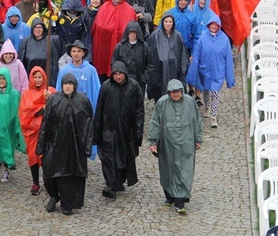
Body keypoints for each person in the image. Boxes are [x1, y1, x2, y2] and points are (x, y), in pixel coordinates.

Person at [36, 72, 94, 216]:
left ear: (74, 85)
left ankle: (68, 203)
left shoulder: (83, 100)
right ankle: (54, 195)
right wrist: (41, 145)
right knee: (50, 173)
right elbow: (46, 123)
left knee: (71, 176)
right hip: (55, 144)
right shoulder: (54, 100)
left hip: (75, 146)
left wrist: (87, 146)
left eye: (70, 84)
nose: (67, 87)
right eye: (65, 84)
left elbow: (88, 125)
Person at [148, 79, 203, 215]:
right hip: (167, 142)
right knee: (167, 169)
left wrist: (198, 139)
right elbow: (155, 122)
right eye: (173, 92)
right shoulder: (162, 103)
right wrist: (153, 141)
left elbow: (197, 120)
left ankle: (180, 200)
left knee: (184, 170)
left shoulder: (190, 103)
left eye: (178, 92)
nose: (175, 94)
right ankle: (170, 195)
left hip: (186, 143)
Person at [94, 61, 144, 200]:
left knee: (124, 157)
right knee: (108, 157)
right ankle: (110, 185)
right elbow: (100, 109)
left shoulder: (134, 86)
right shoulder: (106, 86)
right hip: (109, 129)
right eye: (115, 74)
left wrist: (138, 132)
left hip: (127, 130)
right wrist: (97, 131)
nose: (118, 77)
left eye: (120, 74)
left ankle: (119, 181)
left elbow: (140, 110)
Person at [186, 15, 235, 128]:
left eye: (216, 24)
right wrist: (193, 72)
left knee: (215, 93)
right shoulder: (203, 38)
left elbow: (228, 58)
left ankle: (214, 116)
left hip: (218, 71)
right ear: (208, 25)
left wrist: (230, 78)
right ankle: (207, 107)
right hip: (205, 69)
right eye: (212, 24)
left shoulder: (224, 39)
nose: (214, 26)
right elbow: (197, 54)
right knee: (206, 90)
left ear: (219, 25)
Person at [19, 66, 55, 196]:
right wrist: (42, 108)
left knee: (47, 157)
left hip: (46, 132)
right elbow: (25, 114)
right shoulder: (27, 94)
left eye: (40, 77)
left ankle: (47, 181)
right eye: (35, 77)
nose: (38, 80)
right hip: (33, 132)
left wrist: (50, 99)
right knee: (33, 156)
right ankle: (35, 182)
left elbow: (57, 109)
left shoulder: (50, 91)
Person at [91, 0, 138, 82]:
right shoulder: (104, 7)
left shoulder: (129, 10)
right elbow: (96, 27)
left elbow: (133, 30)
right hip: (104, 46)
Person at [146, 13, 189, 102]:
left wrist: (182, 69)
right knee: (159, 92)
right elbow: (149, 53)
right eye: (166, 21)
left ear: (173, 23)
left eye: (170, 22)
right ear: (162, 22)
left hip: (174, 70)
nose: (168, 24)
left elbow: (183, 54)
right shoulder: (155, 35)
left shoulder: (178, 36)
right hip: (159, 70)